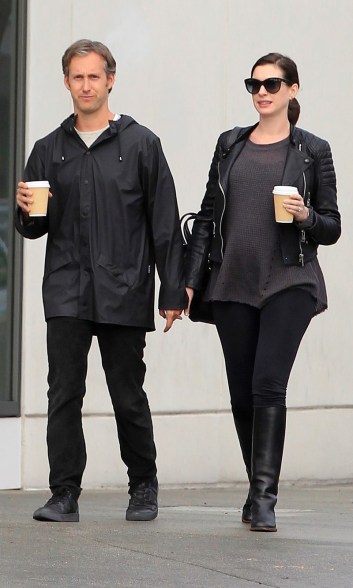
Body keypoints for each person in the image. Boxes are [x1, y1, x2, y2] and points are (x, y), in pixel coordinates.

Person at [15, 39, 187, 523]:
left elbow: (164, 222)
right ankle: (63, 494)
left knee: (127, 392)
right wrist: (24, 212)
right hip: (67, 288)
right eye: (77, 76)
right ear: (66, 82)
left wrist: (173, 291)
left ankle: (143, 486)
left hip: (125, 287)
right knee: (63, 392)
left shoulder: (141, 144)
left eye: (95, 76)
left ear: (111, 79)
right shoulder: (48, 150)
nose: (86, 85)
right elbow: (33, 227)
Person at [185, 53, 341, 532]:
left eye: (273, 84)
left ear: (293, 90)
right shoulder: (230, 144)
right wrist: (189, 280)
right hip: (232, 280)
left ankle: (264, 498)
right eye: (254, 83)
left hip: (289, 279)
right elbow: (208, 217)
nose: (262, 92)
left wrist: (305, 217)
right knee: (240, 393)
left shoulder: (312, 150)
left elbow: (332, 227)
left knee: (268, 384)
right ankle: (256, 486)